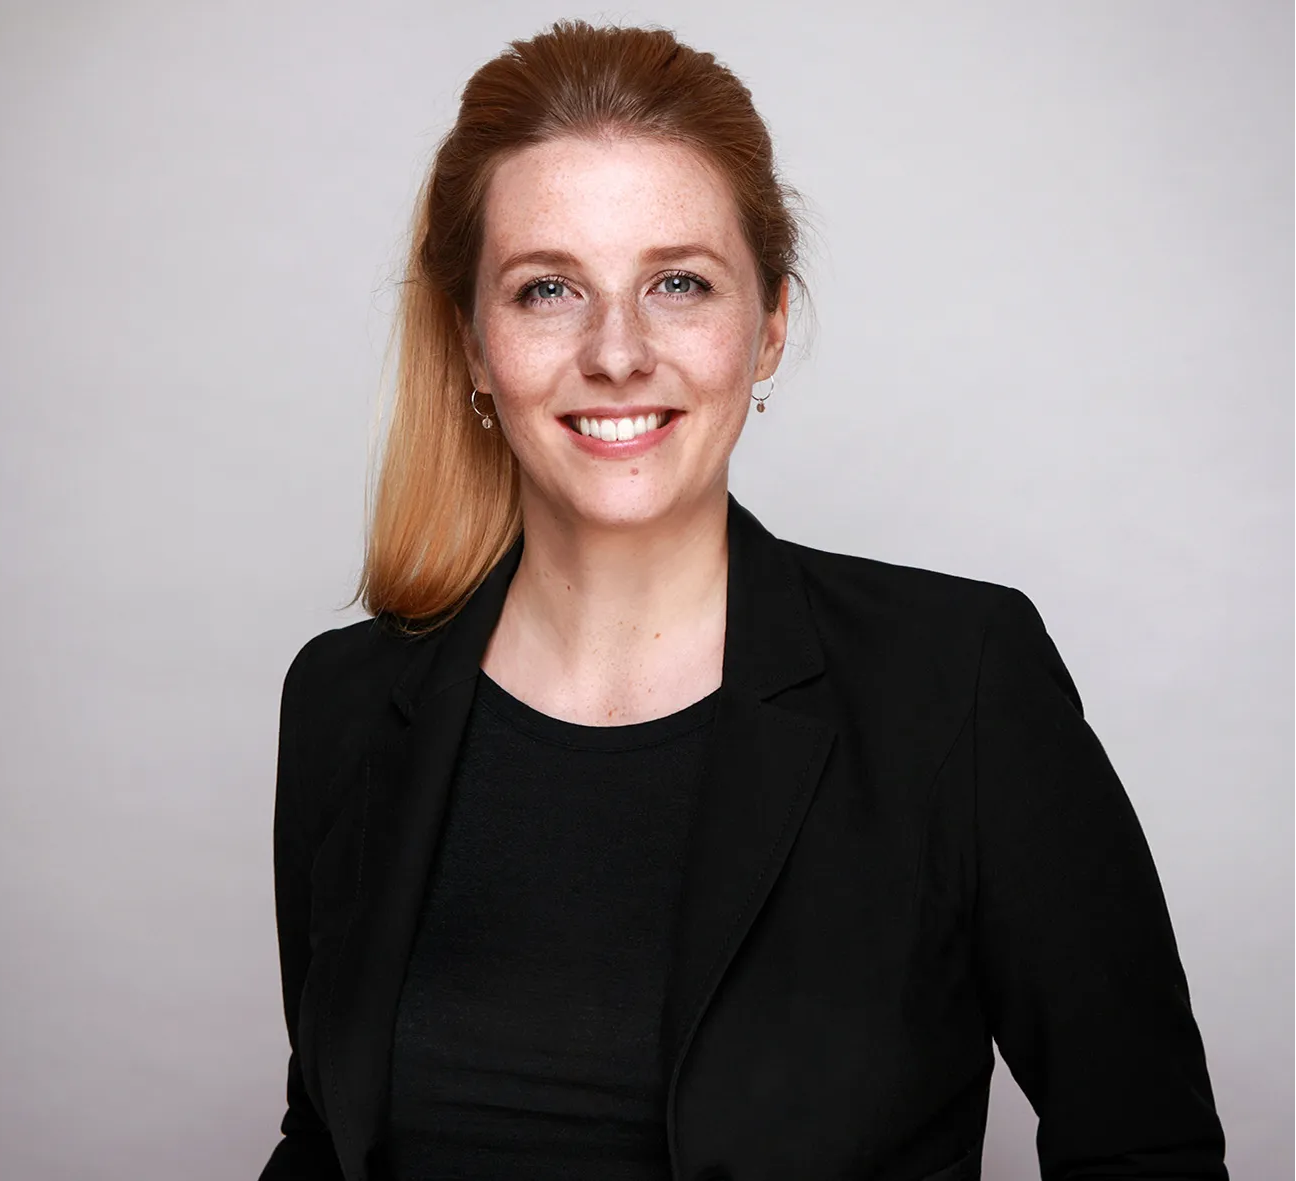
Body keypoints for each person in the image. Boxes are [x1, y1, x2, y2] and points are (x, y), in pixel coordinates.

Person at [258, 20, 1227, 1181]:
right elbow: (323, 1133)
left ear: (766, 326)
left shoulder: (957, 686)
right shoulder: (346, 703)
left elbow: (1145, 1149)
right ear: (470, 341)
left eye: (678, 282)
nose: (616, 352)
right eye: (546, 288)